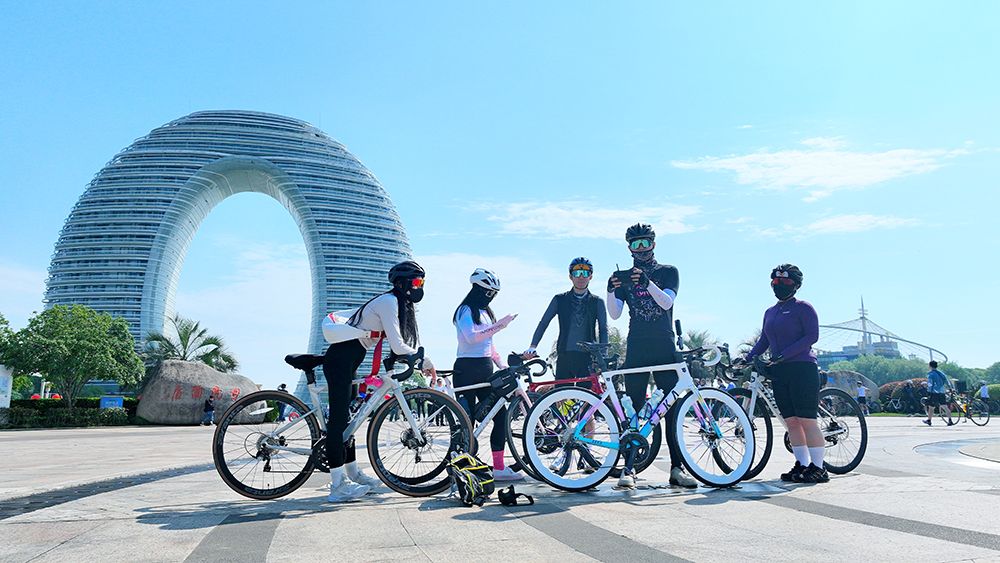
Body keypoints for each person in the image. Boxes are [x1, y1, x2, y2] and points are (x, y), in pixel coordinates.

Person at [323, 260, 429, 502]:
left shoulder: (395, 303)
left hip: (350, 358)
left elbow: (395, 346)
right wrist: (424, 360)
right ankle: (337, 485)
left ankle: (353, 474)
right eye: (416, 281)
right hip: (340, 359)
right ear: (402, 283)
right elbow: (398, 345)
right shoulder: (389, 302)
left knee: (349, 422)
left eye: (422, 282)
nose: (419, 286)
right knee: (338, 421)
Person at [607, 223, 697, 489]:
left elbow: (667, 302)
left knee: (671, 407)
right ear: (629, 248)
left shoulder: (668, 271)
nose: (641, 248)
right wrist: (610, 289)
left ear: (654, 244)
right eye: (635, 244)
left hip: (663, 344)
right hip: (637, 344)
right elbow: (614, 314)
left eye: (645, 242)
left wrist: (647, 283)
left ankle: (677, 468)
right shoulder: (623, 277)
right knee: (633, 407)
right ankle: (629, 468)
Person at [742, 264, 827, 484]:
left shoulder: (803, 308)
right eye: (775, 282)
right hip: (780, 371)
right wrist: (747, 358)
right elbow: (764, 340)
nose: (779, 286)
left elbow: (812, 336)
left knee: (807, 420)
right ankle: (802, 464)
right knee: (792, 422)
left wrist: (784, 354)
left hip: (802, 368)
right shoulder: (770, 312)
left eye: (786, 282)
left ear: (796, 285)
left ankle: (819, 468)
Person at [452, 268, 521, 481]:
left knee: (500, 416)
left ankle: (498, 467)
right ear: (478, 290)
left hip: (485, 369)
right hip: (465, 370)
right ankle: (465, 467)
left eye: (494, 294)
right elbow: (472, 338)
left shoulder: (486, 312)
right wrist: (500, 325)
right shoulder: (464, 310)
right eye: (490, 292)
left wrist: (502, 366)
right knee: (467, 422)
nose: (492, 297)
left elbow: (489, 346)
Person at [524, 257, 608, 388]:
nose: (581, 277)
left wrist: (603, 355)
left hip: (587, 358)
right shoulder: (559, 299)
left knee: (586, 396)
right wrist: (533, 346)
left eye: (585, 273)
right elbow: (544, 323)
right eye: (577, 273)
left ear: (591, 276)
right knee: (561, 395)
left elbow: (603, 329)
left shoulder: (597, 302)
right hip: (564, 354)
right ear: (570, 276)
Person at [923, 361, 950, 426]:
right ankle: (950, 420)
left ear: (930, 366)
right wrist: (950, 388)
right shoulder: (941, 373)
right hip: (942, 391)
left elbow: (930, 384)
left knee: (931, 407)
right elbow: (947, 381)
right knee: (945, 406)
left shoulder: (930, 374)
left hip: (934, 392)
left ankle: (929, 420)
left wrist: (928, 391)